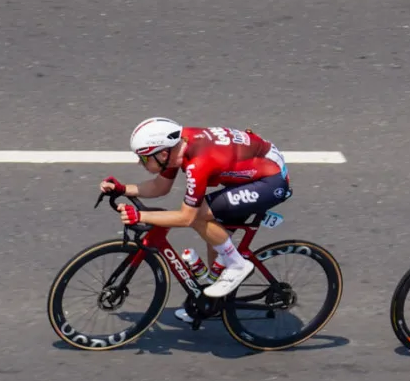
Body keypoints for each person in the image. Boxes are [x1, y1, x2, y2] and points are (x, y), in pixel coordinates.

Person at [101, 118, 291, 306]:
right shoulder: (178, 146)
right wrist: (123, 189)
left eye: (143, 157)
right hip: (252, 171)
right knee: (214, 238)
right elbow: (160, 187)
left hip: (269, 181)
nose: (139, 163)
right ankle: (213, 303)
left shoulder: (198, 163)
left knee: (199, 215)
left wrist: (140, 216)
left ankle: (238, 265)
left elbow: (186, 218)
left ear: (163, 154)